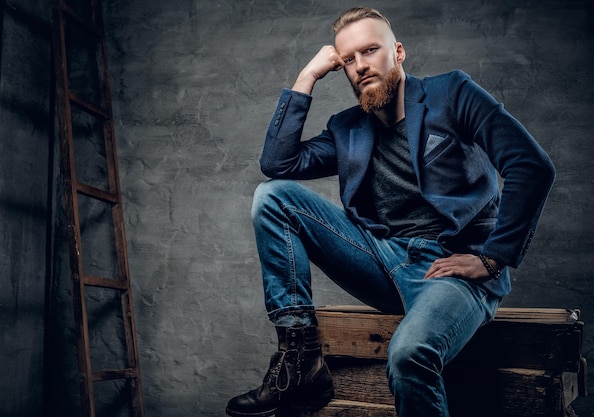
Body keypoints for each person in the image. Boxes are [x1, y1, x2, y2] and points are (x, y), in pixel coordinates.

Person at [226, 7, 555, 417]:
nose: (360, 66)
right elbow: (278, 164)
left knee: (408, 355)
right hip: (381, 260)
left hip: (449, 268)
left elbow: (531, 165)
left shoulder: (452, 93)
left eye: (370, 50)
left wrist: (492, 258)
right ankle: (299, 360)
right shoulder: (348, 129)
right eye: (349, 60)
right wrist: (306, 77)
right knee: (273, 196)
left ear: (398, 52)